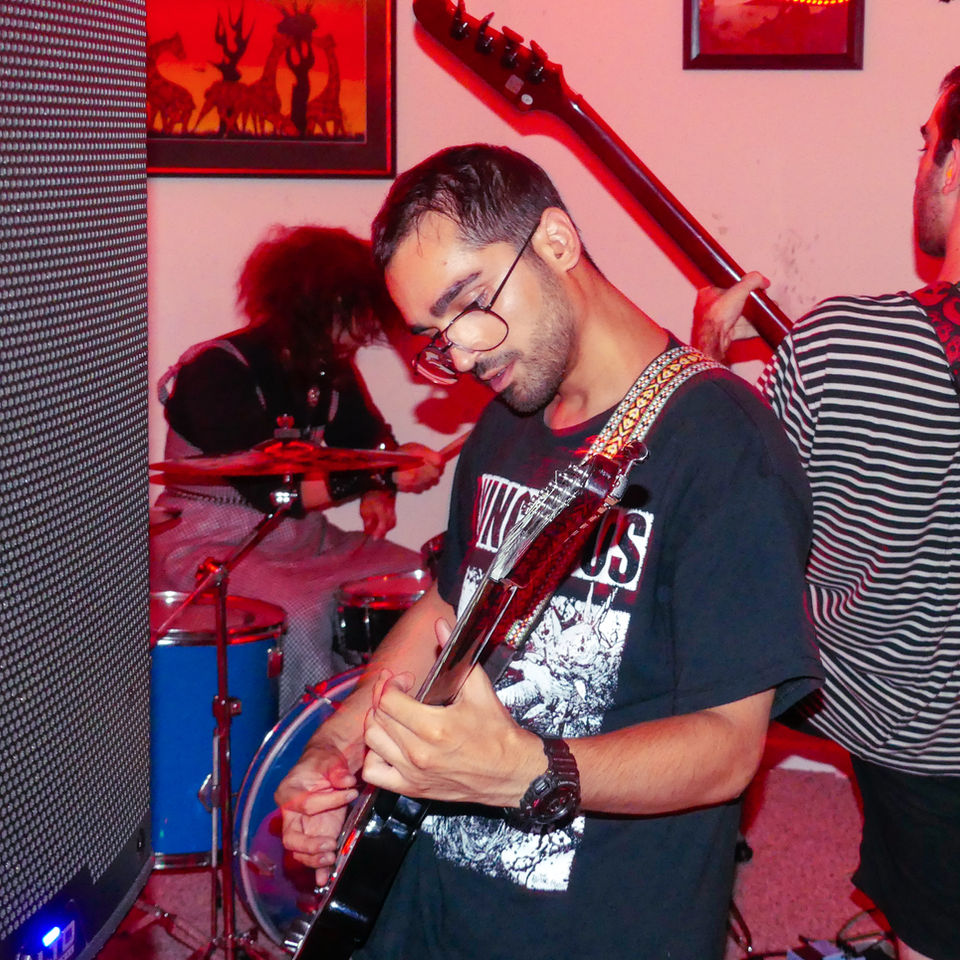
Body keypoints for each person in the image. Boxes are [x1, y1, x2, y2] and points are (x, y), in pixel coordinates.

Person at [275, 145, 822, 960]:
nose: (461, 355)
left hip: (597, 926)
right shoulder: (508, 420)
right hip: (424, 893)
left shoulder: (724, 445)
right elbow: (448, 603)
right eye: (435, 335)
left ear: (557, 242)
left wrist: (522, 771)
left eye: (469, 305)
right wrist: (337, 745)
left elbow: (728, 749)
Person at [691, 69, 960, 960]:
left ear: (956, 164)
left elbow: (732, 513)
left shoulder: (843, 342)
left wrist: (707, 365)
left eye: (927, 143)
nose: (920, 164)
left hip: (902, 719)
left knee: (694, 631)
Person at [151, 225, 443, 712]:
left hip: (302, 540)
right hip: (214, 544)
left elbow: (369, 441)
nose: (366, 330)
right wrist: (382, 474)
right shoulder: (216, 370)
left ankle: (397, 723)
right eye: (359, 313)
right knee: (301, 617)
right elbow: (277, 491)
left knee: (420, 579)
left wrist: (382, 485)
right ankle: (303, 745)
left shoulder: (329, 368)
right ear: (323, 306)